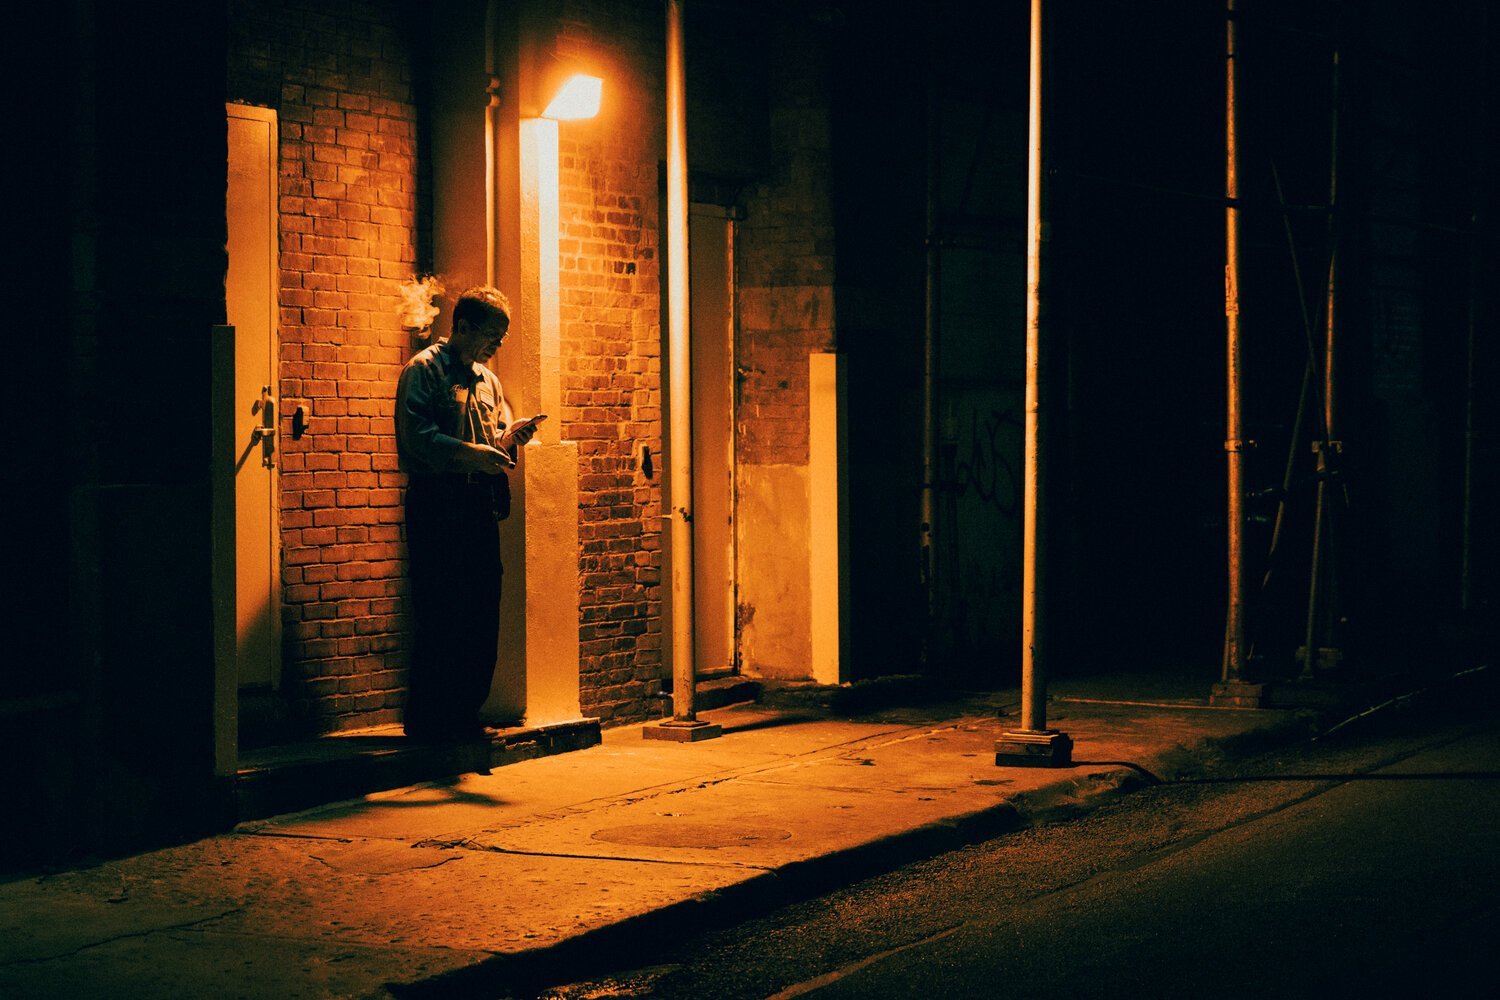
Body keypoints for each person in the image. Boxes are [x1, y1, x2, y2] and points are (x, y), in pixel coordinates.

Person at [395, 285, 541, 740]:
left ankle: (464, 713)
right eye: (492, 335)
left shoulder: (487, 380)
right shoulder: (423, 371)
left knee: (481, 608)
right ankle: (429, 719)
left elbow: (494, 432)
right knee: (441, 607)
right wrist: (472, 454)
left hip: (479, 504)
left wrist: (509, 439)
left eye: (502, 336)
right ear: (462, 327)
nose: (497, 346)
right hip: (438, 502)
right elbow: (417, 438)